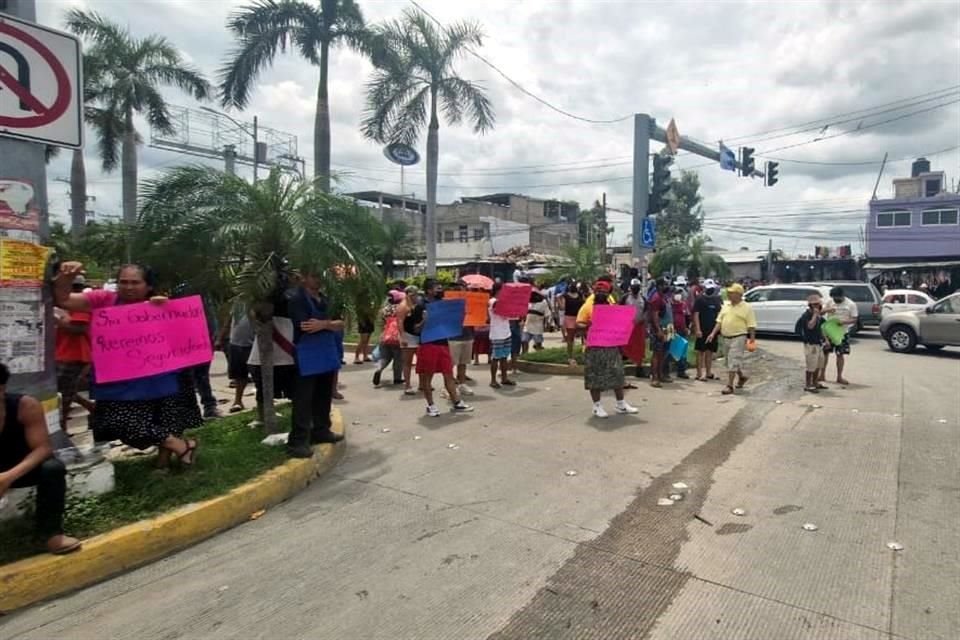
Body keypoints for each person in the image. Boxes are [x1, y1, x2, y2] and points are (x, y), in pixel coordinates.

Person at [54, 262, 202, 468]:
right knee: (119, 422)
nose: (129, 287)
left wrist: (167, 308)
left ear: (148, 285)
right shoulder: (103, 300)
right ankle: (181, 445)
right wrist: (66, 277)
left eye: (135, 282)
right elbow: (63, 300)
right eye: (123, 282)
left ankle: (164, 464)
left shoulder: (159, 304)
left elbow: (185, 333)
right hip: (120, 380)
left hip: (162, 375)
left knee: (167, 418)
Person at [1, 363, 81, 555]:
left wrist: (7, 477)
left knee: (52, 468)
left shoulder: (25, 406)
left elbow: (43, 448)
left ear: (2, 388)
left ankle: (51, 534)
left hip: (23, 467)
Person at [287, 272, 346, 458]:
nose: (318, 279)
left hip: (327, 352)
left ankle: (321, 430)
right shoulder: (297, 300)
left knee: (323, 395)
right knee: (303, 400)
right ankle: (298, 441)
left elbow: (341, 323)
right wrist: (329, 324)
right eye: (314, 275)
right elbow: (306, 326)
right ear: (304, 278)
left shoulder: (325, 299)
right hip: (307, 354)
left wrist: (324, 324)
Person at [577, 281, 639, 418]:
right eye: (598, 291)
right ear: (594, 292)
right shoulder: (587, 307)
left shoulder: (612, 306)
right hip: (594, 347)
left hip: (611, 346)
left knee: (617, 375)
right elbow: (578, 324)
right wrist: (589, 325)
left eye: (604, 291)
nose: (601, 293)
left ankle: (621, 404)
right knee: (595, 377)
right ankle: (597, 406)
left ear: (608, 293)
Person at [416, 280, 474, 417]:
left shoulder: (444, 305)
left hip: (443, 344)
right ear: (429, 290)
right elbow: (415, 329)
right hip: (428, 344)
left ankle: (457, 402)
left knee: (448, 374)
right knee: (427, 378)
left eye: (441, 288)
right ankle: (431, 405)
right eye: (437, 288)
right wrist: (425, 320)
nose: (440, 290)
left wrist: (459, 315)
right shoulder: (421, 306)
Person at [54, 275, 95, 430]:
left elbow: (78, 328)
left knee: (62, 398)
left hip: (72, 355)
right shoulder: (68, 304)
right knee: (65, 393)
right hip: (64, 354)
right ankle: (91, 409)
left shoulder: (80, 304)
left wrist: (55, 317)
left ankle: (61, 431)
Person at [706, 283, 757, 396]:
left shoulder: (747, 307)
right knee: (729, 361)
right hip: (726, 337)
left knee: (733, 360)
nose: (729, 295)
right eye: (728, 293)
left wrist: (752, 340)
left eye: (731, 293)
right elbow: (719, 321)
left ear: (739, 295)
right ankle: (742, 376)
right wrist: (712, 333)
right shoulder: (726, 306)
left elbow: (751, 325)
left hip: (739, 336)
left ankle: (729, 385)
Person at [820, 286, 858, 386]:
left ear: (842, 295)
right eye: (834, 298)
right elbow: (821, 312)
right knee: (825, 353)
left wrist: (843, 322)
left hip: (842, 333)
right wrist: (828, 309)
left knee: (840, 354)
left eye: (838, 298)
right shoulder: (830, 302)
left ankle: (839, 377)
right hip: (829, 332)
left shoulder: (850, 304)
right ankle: (822, 374)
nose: (836, 300)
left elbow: (854, 319)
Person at [446, 281, 476, 398]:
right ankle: (448, 387)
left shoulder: (471, 302)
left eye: (464, 288)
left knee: (463, 362)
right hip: (453, 337)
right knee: (451, 364)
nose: (462, 290)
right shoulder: (447, 303)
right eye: (459, 289)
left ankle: (462, 384)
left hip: (468, 335)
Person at [225, 302, 254, 413]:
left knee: (258, 375)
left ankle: (264, 402)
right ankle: (238, 401)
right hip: (236, 342)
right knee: (239, 375)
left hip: (254, 343)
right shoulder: (237, 302)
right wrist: (221, 337)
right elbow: (229, 320)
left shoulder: (258, 301)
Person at [692, 279, 723, 381]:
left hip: (712, 330)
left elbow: (719, 315)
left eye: (712, 288)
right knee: (700, 351)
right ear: (704, 288)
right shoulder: (700, 299)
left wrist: (717, 330)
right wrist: (698, 329)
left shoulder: (716, 300)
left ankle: (708, 372)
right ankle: (699, 374)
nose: (710, 290)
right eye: (708, 288)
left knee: (710, 352)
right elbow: (696, 315)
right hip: (702, 329)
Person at [372, 290, 404, 388]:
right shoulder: (401, 309)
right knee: (398, 359)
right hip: (397, 337)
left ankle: (379, 369)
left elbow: (381, 323)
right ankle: (397, 378)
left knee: (384, 357)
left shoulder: (385, 309)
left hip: (385, 335)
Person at [396, 285, 423, 396]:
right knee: (407, 362)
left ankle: (422, 384)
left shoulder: (416, 305)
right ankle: (407, 385)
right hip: (408, 335)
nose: (417, 296)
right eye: (415, 294)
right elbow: (400, 322)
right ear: (410, 295)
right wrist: (402, 337)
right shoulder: (403, 306)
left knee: (421, 360)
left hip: (417, 335)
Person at [488, 282, 515, 388]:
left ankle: (504, 378)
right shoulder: (493, 301)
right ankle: (493, 380)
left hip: (506, 332)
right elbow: (497, 309)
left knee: (504, 356)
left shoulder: (503, 301)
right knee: (496, 357)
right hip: (497, 334)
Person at [797, 294, 826, 393]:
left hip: (818, 343)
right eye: (815, 305)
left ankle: (815, 382)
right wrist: (814, 315)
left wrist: (826, 340)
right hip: (810, 344)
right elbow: (810, 326)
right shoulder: (806, 315)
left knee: (818, 364)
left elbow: (821, 328)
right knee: (811, 365)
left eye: (818, 304)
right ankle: (808, 385)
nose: (818, 306)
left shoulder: (818, 315)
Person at [647, 277, 672, 388]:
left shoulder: (664, 297)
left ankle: (661, 374)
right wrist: (658, 330)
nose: (667, 286)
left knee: (664, 353)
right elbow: (655, 315)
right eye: (665, 284)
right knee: (657, 353)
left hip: (668, 328)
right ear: (660, 286)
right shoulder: (656, 298)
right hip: (659, 329)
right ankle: (654, 377)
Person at [620, 279, 647, 378]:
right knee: (624, 347)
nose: (635, 289)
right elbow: (619, 310)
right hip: (627, 327)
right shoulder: (625, 298)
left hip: (639, 327)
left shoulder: (643, 299)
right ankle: (621, 369)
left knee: (639, 348)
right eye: (634, 287)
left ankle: (639, 369)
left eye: (637, 288)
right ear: (630, 288)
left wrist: (643, 320)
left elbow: (646, 311)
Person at [665, 289, 690, 379]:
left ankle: (681, 371)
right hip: (671, 330)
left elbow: (687, 317)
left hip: (682, 330)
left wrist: (687, 327)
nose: (678, 295)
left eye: (679, 293)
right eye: (676, 293)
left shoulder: (684, 305)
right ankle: (666, 372)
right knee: (668, 351)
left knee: (682, 351)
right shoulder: (669, 305)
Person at [560, 282, 584, 365]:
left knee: (571, 339)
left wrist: (558, 300)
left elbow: (562, 307)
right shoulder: (580, 295)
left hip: (572, 318)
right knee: (581, 337)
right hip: (577, 318)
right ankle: (574, 356)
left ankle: (571, 356)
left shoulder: (565, 296)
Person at [522, 289, 549, 353]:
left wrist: (546, 324)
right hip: (527, 326)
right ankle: (525, 354)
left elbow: (547, 315)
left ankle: (539, 355)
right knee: (524, 341)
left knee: (538, 343)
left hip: (538, 327)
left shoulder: (543, 303)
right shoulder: (528, 303)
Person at [353, 296, 376, 364]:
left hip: (370, 321)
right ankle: (356, 357)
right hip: (363, 322)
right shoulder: (360, 304)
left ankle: (365, 356)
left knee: (367, 340)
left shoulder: (371, 302)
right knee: (363, 340)